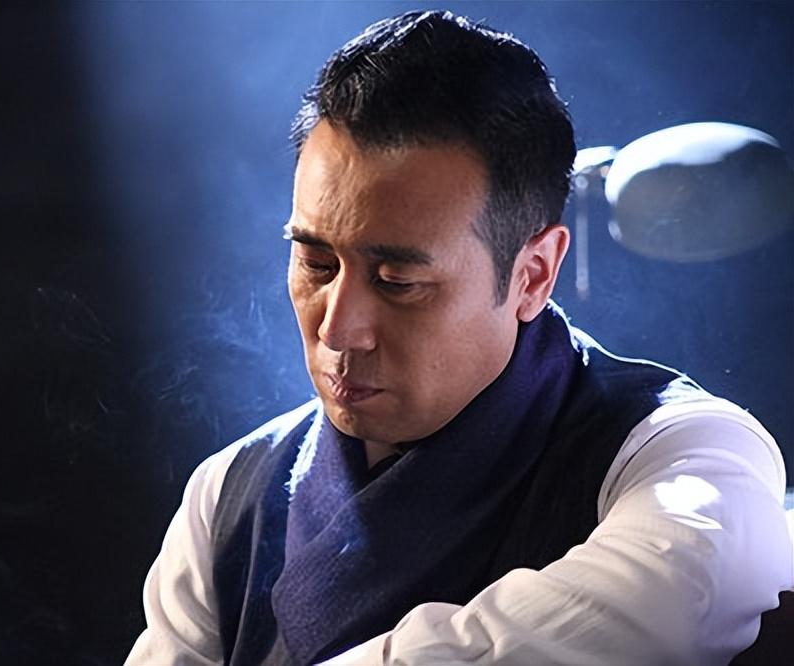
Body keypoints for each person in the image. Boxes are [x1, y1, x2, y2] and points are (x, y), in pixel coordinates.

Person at [125, 10, 792, 665]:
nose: (337, 328)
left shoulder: (681, 449)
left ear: (533, 274)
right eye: (316, 264)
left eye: (397, 281)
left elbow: (676, 599)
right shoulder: (231, 493)